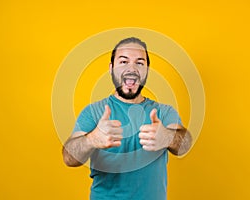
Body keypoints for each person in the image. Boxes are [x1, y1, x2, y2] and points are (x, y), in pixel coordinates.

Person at [62, 37, 192, 200]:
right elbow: (69, 158)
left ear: (147, 70)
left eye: (139, 63)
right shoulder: (93, 112)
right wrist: (92, 139)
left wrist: (167, 137)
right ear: (111, 68)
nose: (132, 68)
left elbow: (185, 144)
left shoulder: (164, 112)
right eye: (123, 62)